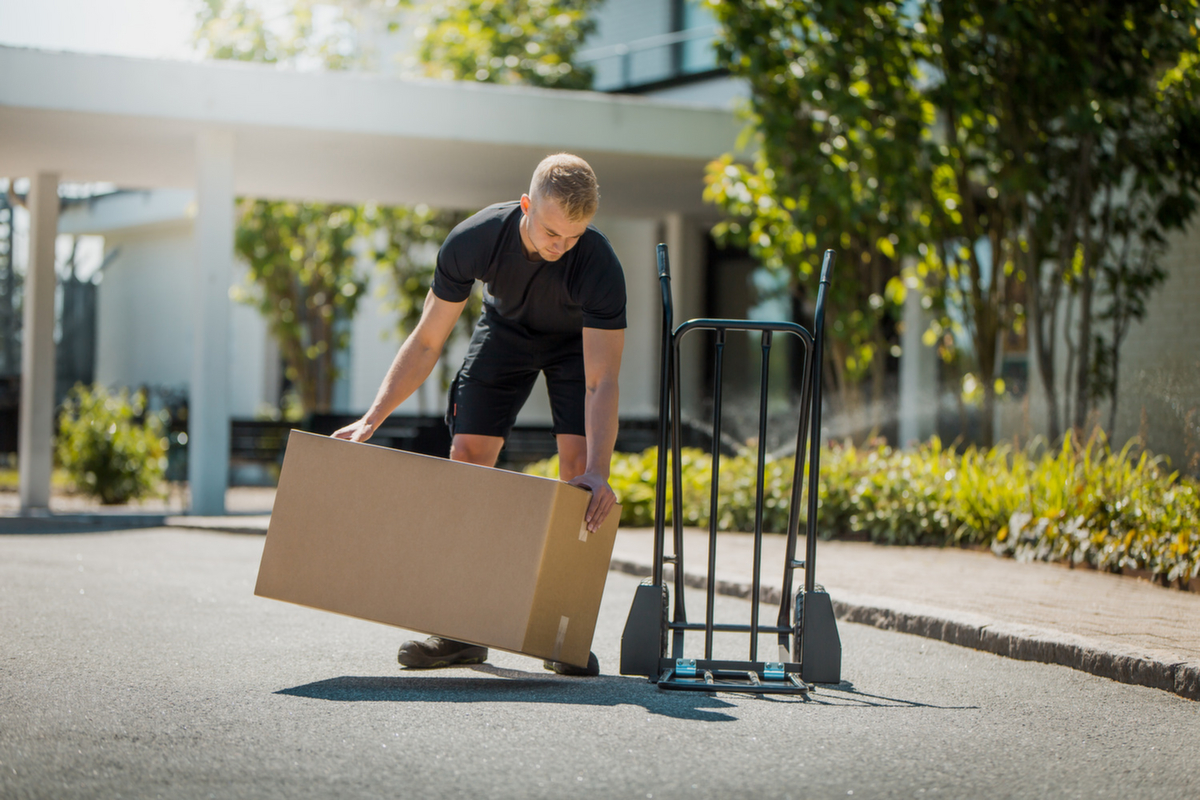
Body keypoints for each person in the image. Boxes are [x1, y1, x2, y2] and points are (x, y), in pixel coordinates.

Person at [333, 153, 625, 677]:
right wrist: (372, 418)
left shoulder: (598, 264)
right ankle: (458, 630)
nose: (561, 247)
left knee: (578, 476)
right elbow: (426, 342)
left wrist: (600, 472)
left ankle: (561, 632)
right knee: (466, 458)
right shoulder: (475, 239)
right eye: (552, 232)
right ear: (525, 206)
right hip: (505, 334)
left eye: (573, 236)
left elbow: (602, 381)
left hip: (571, 345)